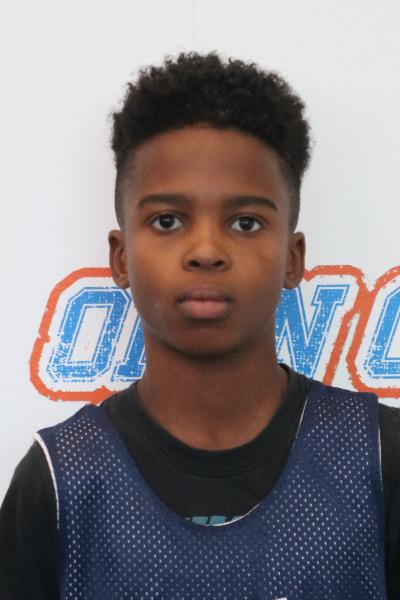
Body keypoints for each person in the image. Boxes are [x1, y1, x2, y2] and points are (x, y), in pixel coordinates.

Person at [1, 52, 400, 600]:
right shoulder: (59, 481)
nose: (207, 250)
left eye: (245, 222)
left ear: (292, 259)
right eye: (167, 220)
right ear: (120, 257)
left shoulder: (380, 458)